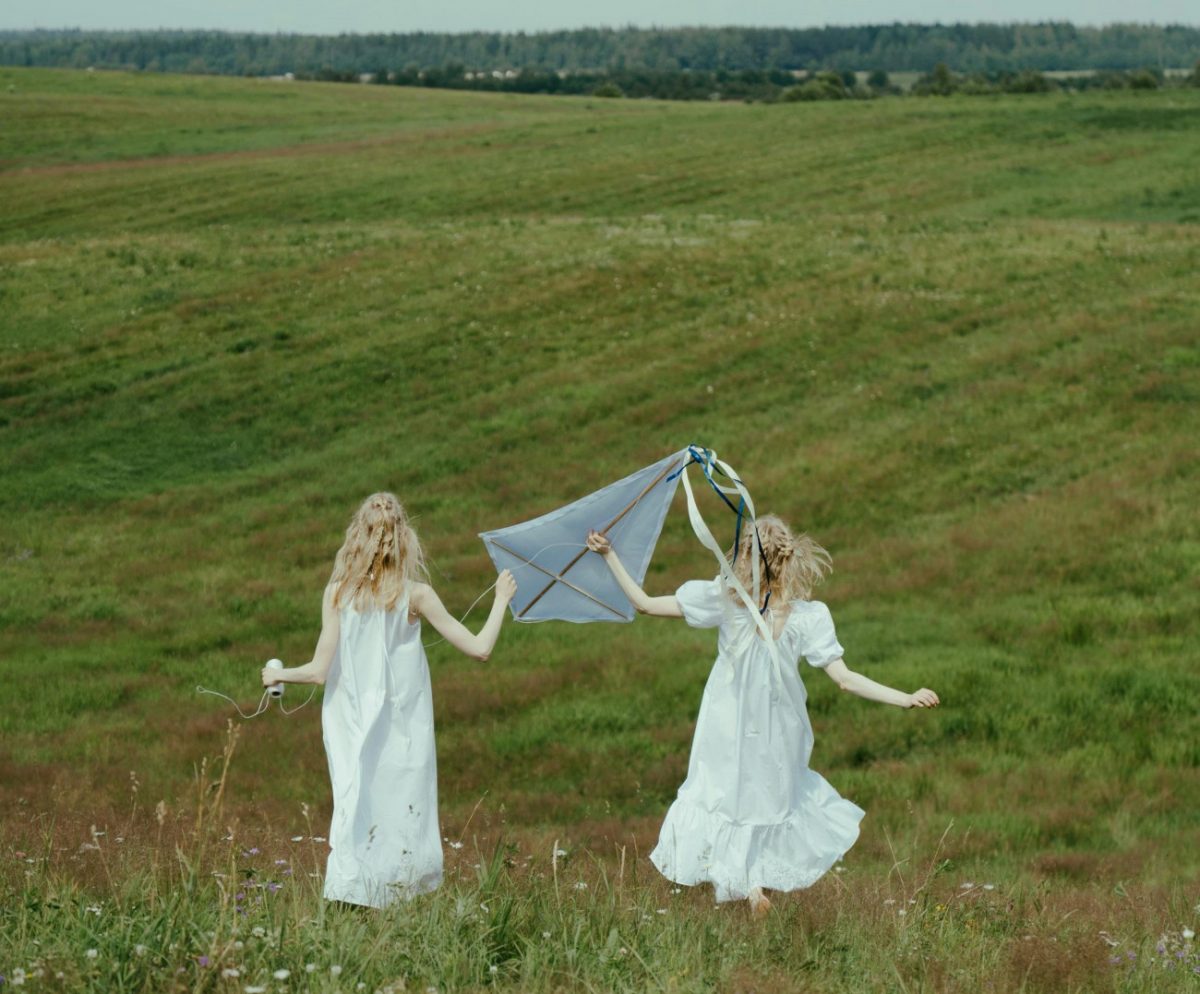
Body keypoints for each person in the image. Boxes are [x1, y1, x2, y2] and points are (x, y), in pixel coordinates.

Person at [586, 517, 938, 917]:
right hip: (780, 728)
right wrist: (904, 697)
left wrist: (609, 555)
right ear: (788, 556)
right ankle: (755, 889)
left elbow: (645, 604)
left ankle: (751, 890)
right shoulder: (808, 616)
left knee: (727, 802)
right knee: (769, 804)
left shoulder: (726, 601)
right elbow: (845, 679)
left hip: (727, 725)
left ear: (745, 556)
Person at [263, 492, 517, 908]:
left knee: (356, 806)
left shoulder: (337, 593)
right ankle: (398, 904)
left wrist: (278, 674)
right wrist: (501, 598)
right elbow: (480, 649)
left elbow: (318, 671)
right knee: (402, 813)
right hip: (403, 727)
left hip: (350, 724)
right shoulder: (417, 595)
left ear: (357, 536)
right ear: (404, 538)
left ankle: (351, 900)